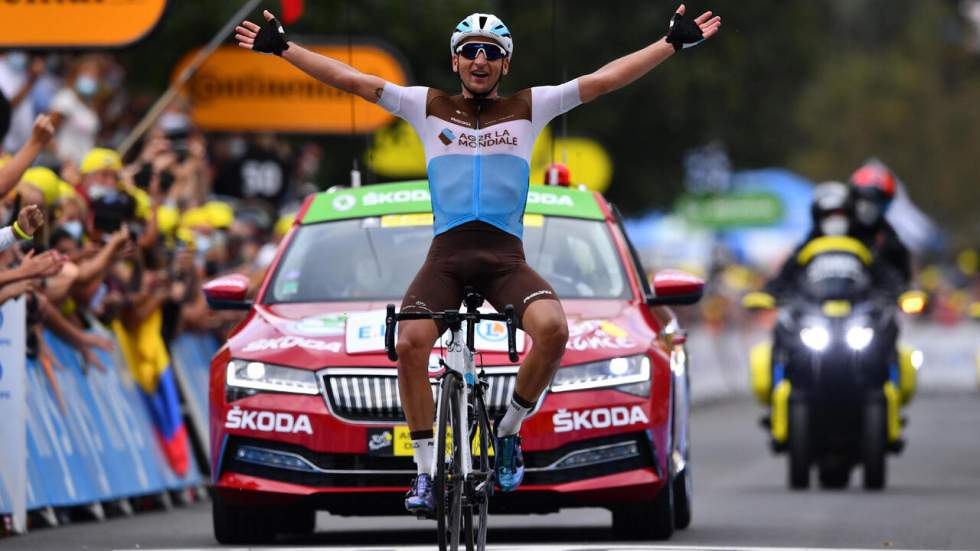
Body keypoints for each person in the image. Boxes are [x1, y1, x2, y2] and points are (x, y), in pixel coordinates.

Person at [236, 5, 720, 515]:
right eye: (471, 52)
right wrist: (284, 49)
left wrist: (669, 43)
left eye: (492, 54)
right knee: (410, 342)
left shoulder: (531, 107)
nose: (481, 60)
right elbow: (353, 80)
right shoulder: (426, 106)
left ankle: (509, 431)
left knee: (554, 330)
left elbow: (603, 81)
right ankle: (424, 472)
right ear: (455, 60)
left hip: (505, 261)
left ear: (505, 64)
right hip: (446, 259)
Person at [848, 160, 912, 290]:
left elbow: (903, 278)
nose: (868, 206)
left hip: (872, 303)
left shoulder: (888, 238)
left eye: (876, 200)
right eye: (864, 198)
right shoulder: (836, 227)